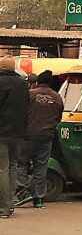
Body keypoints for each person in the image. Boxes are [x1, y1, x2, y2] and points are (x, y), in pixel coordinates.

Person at [20, 72, 64, 209]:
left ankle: (23, 191)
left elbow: (21, 113)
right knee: (41, 167)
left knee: (21, 163)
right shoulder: (57, 97)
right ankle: (39, 199)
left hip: (28, 135)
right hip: (46, 137)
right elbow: (59, 117)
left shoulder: (30, 94)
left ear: (38, 81)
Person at [0, 56, 29, 218]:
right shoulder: (23, 85)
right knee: (12, 167)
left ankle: (3, 208)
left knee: (2, 169)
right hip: (19, 133)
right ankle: (10, 205)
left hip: (2, 132)